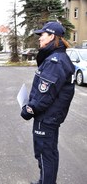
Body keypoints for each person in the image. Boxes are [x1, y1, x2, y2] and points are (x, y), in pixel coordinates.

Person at [20, 21, 75, 184]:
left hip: (46, 118)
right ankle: (45, 181)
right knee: (48, 153)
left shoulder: (54, 62)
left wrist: (28, 110)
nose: (39, 38)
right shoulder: (57, 57)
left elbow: (44, 95)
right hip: (51, 117)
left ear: (52, 37)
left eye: (42, 35)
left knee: (45, 154)